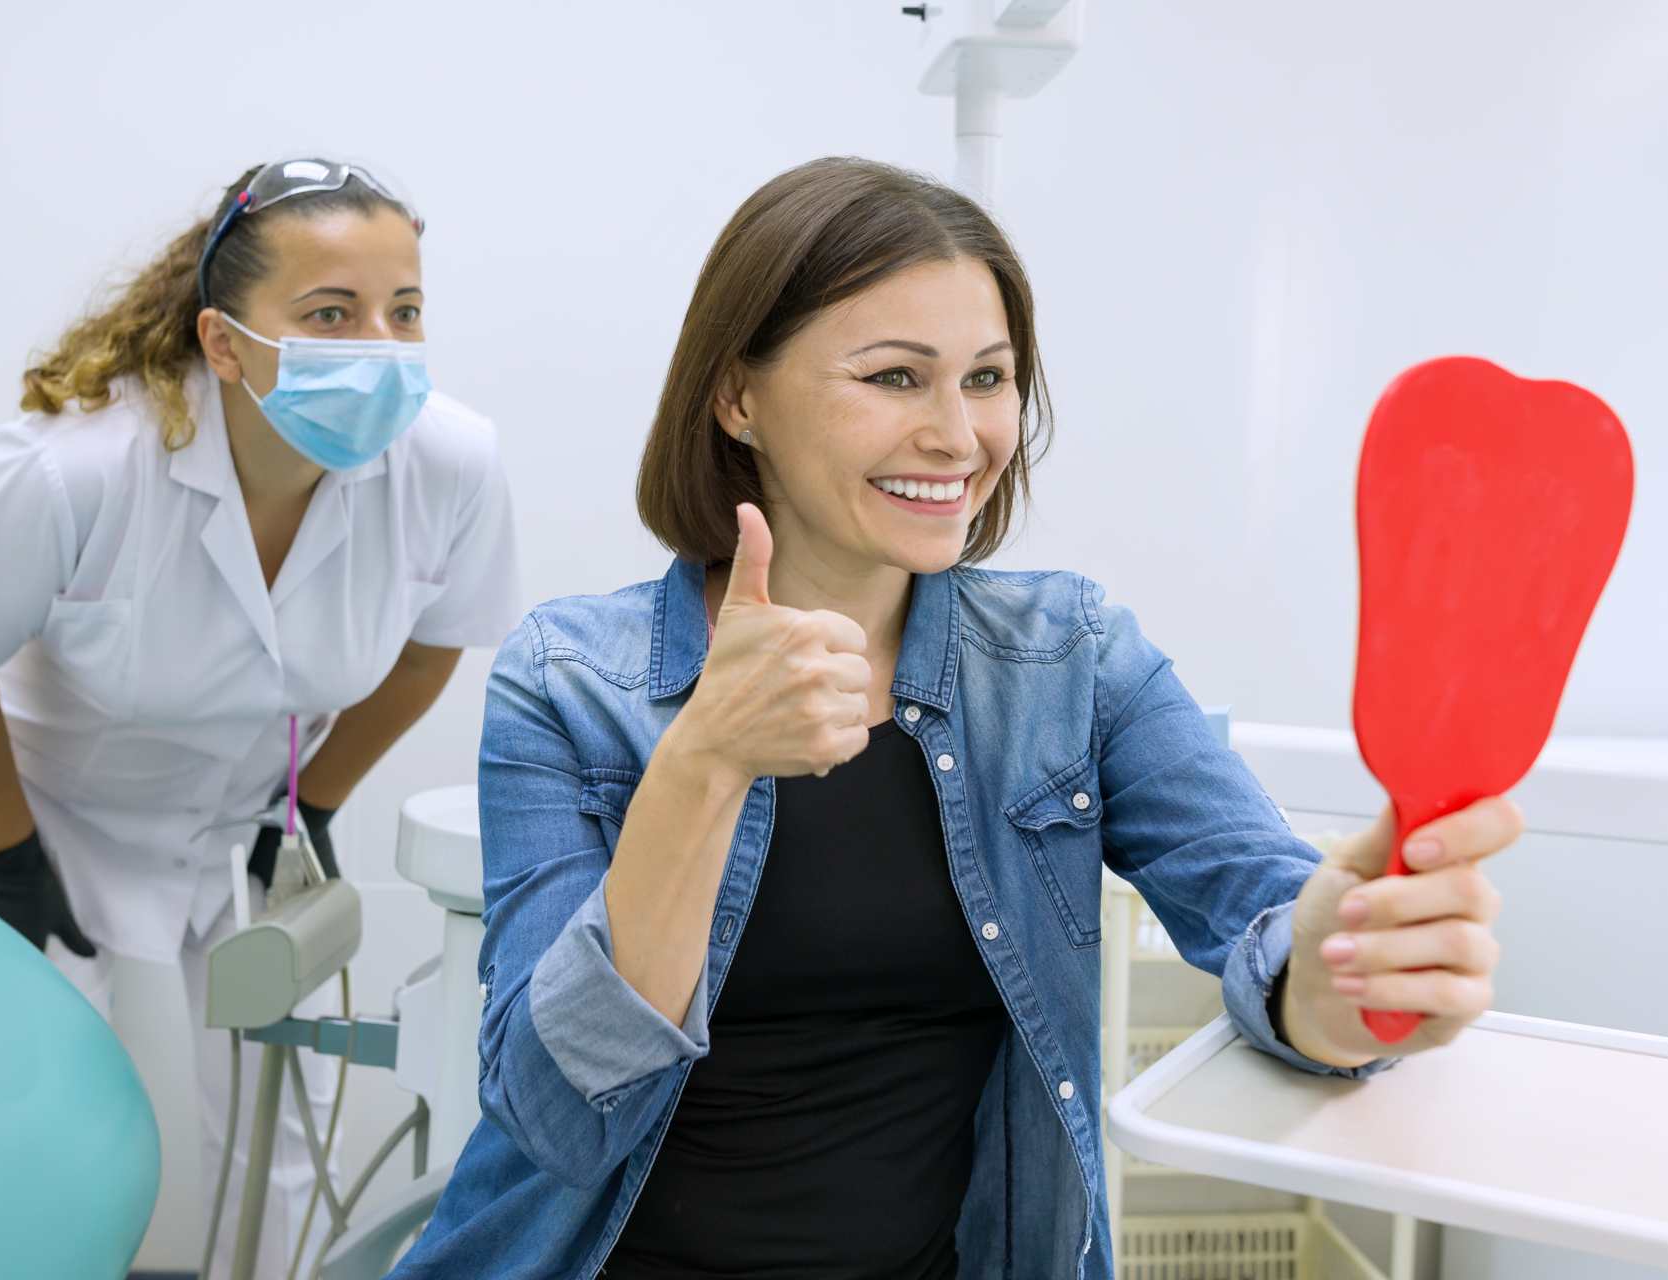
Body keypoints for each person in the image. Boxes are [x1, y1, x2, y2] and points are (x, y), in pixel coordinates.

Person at [391, 156, 1516, 1280]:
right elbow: (554, 1110)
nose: (959, 435)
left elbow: (1271, 912)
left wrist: (1327, 981)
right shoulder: (571, 677)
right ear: (739, 396)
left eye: (987, 378)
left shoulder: (1070, 659)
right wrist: (705, 760)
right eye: (894, 377)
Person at [0, 158, 522, 1278]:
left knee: (288, 1107)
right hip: (37, 804)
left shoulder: (449, 463)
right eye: (332, 313)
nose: (379, 344)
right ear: (224, 342)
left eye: (404, 310)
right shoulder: (74, 469)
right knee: (35, 1106)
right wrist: (7, 856)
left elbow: (429, 650)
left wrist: (311, 802)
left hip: (251, 807)